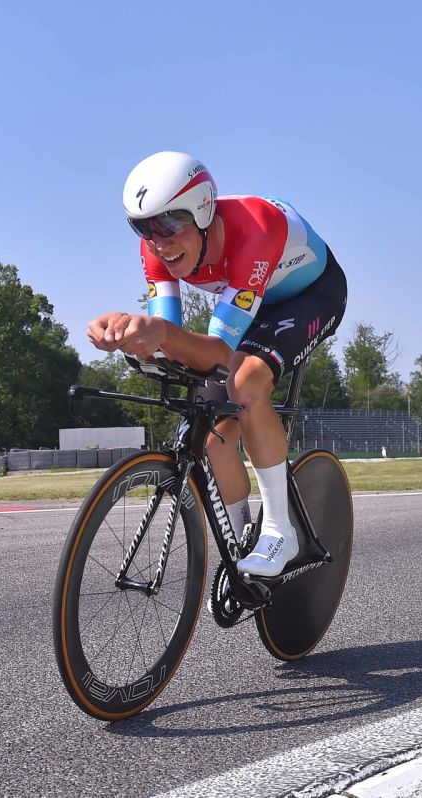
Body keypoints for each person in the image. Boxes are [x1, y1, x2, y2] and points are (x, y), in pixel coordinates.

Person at [86, 151, 347, 578]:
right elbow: (172, 344)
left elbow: (221, 352)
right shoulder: (156, 250)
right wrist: (126, 334)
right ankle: (242, 544)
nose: (158, 242)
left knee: (244, 381)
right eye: (143, 228)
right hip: (252, 303)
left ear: (204, 210)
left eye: (169, 224)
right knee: (209, 422)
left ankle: (279, 531)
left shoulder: (256, 226)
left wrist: (161, 333)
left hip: (310, 295)